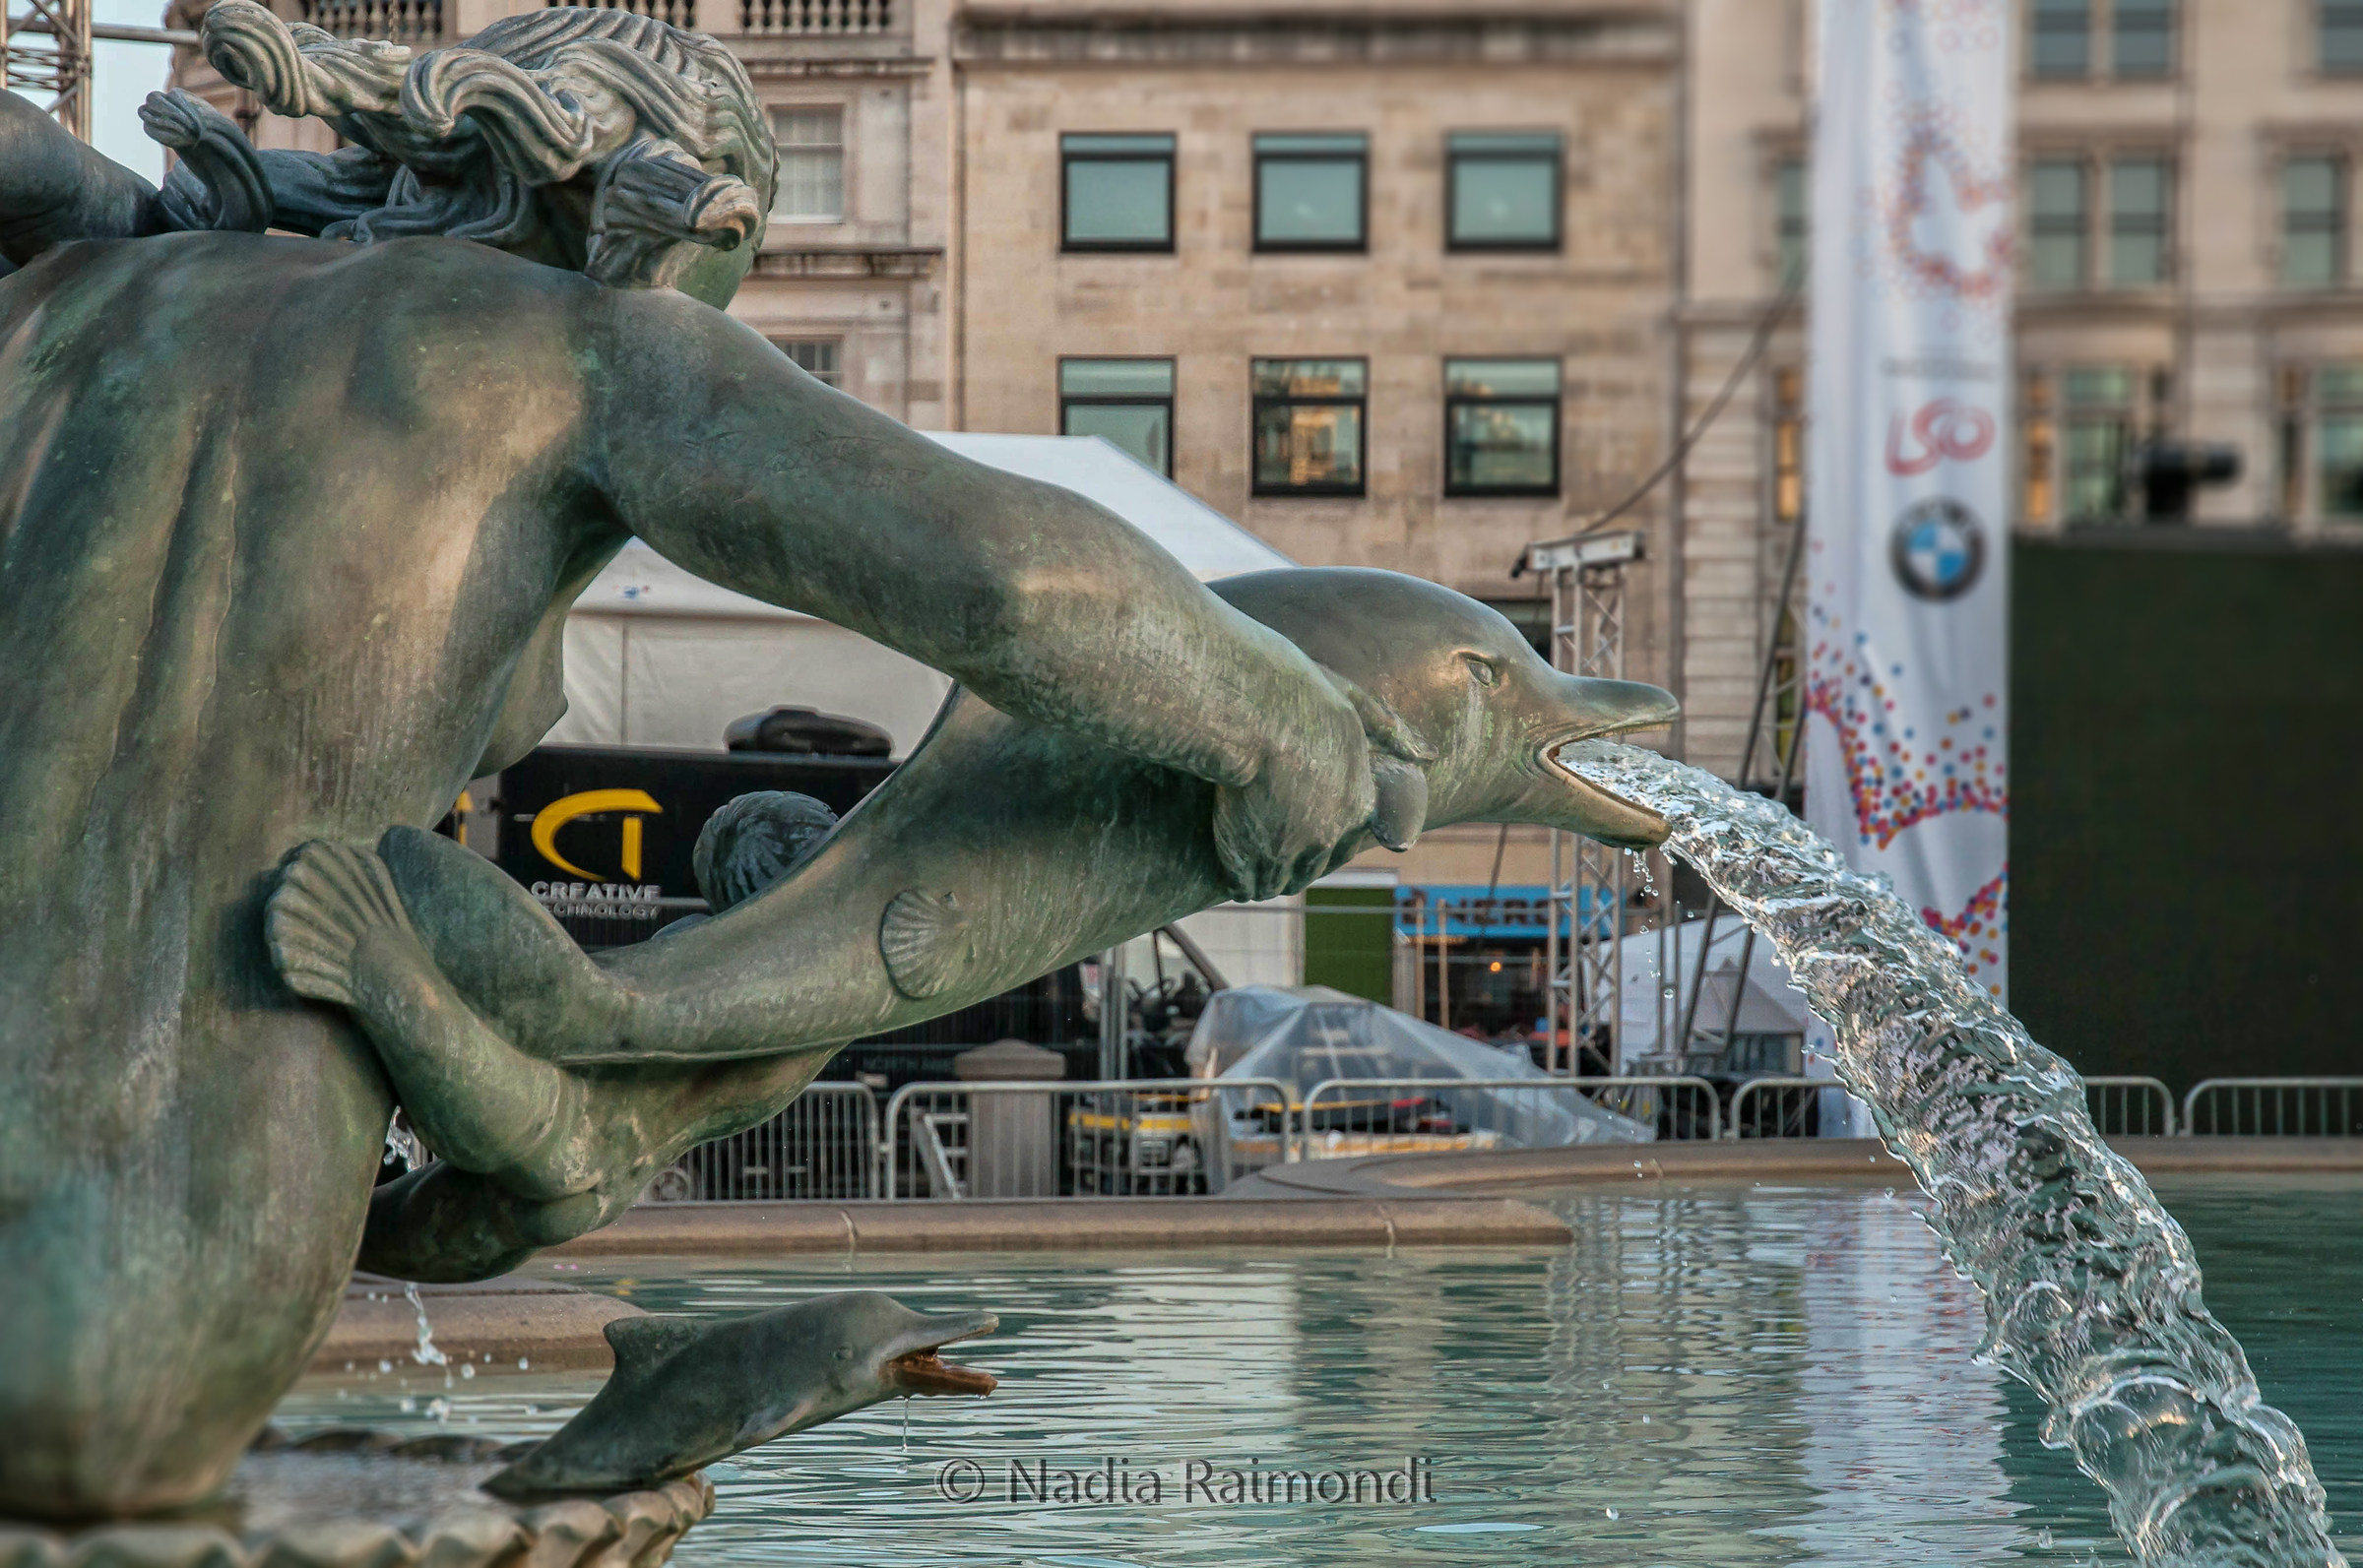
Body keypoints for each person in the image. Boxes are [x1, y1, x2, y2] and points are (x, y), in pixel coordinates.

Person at [0, 3, 1370, 1517]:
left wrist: (107, 207)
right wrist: (1283, 720)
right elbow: (1016, 590)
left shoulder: (84, 283)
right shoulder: (590, 352)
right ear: (658, 208)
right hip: (137, 1253)